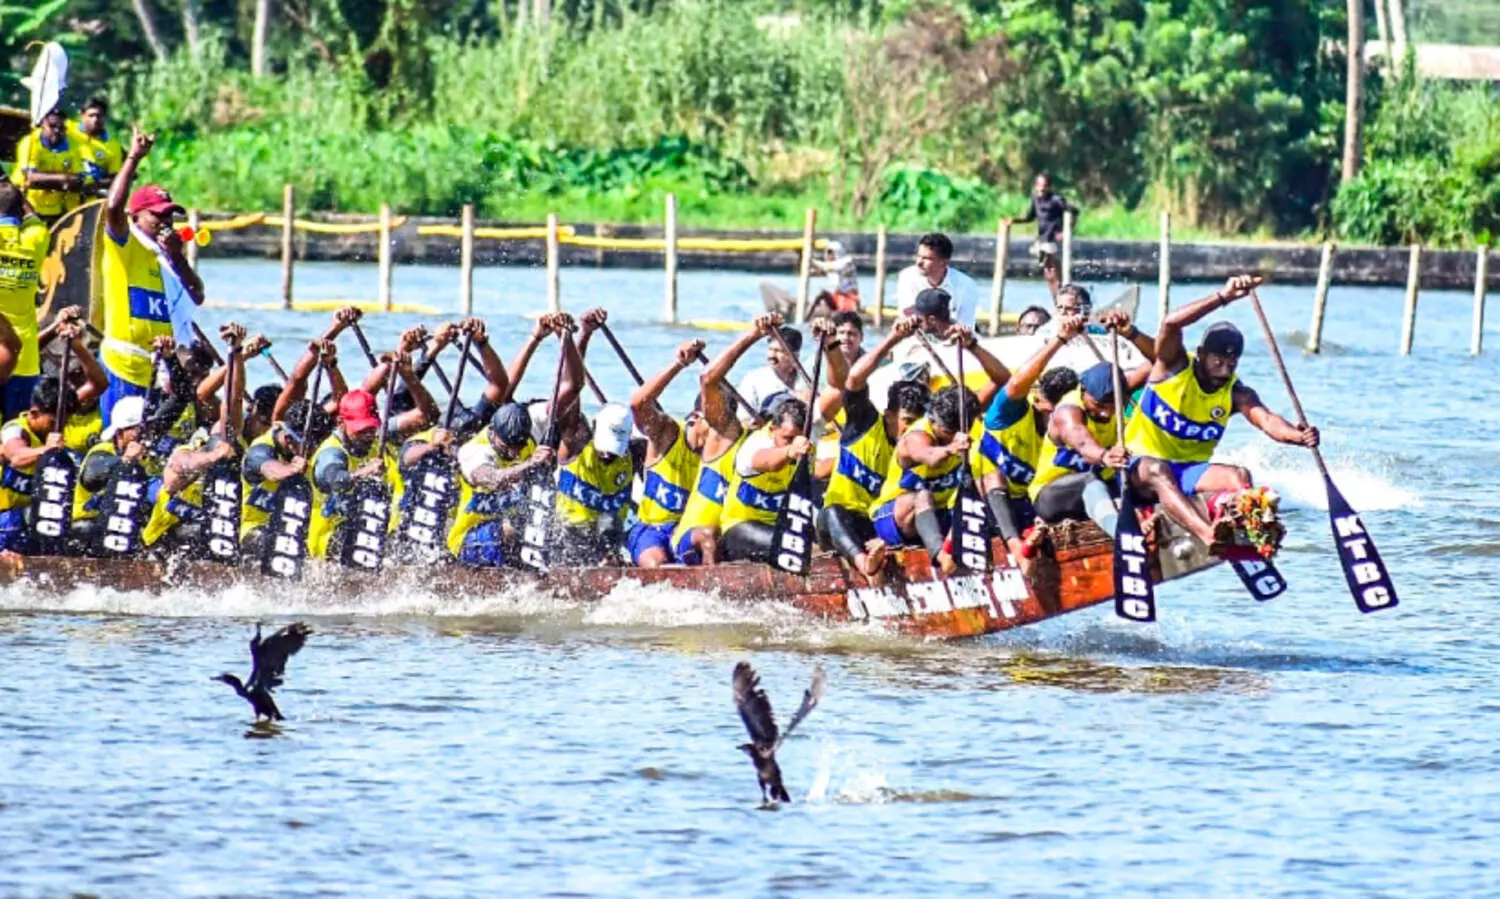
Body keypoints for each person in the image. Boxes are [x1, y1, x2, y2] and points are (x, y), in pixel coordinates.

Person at [1125, 275, 1319, 552]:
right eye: (1218, 360)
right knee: (1159, 469)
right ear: (1201, 354)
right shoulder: (1172, 366)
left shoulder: (1236, 393)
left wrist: (1298, 436)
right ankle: (1207, 535)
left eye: (1232, 361)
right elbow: (1170, 323)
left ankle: (1253, 534)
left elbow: (1266, 420)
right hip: (1139, 468)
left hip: (1188, 471)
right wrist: (1224, 297)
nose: (1226, 368)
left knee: (1238, 476)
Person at [869, 324, 1010, 573]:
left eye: (956, 432)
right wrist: (951, 448)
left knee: (991, 478)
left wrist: (973, 345)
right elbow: (930, 457)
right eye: (946, 433)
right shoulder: (917, 436)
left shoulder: (964, 414)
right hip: (895, 519)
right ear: (933, 420)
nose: (950, 438)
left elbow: (1002, 379)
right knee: (922, 496)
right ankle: (942, 559)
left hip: (942, 514)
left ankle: (1012, 543)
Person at [97, 128, 205, 425]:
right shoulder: (125, 244)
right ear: (136, 218)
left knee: (149, 448)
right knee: (122, 444)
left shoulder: (168, 255)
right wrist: (133, 157)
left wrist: (177, 256)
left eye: (170, 215)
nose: (165, 222)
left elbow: (198, 295)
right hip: (123, 364)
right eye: (157, 215)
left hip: (159, 369)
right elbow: (113, 207)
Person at [818, 315, 930, 580]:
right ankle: (865, 565)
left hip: (878, 524)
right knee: (829, 512)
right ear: (889, 414)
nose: (912, 430)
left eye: (917, 423)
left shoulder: (920, 444)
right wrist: (894, 338)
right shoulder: (864, 422)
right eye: (907, 422)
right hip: (837, 524)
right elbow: (853, 380)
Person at [1027, 312, 1157, 539]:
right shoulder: (1068, 412)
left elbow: (1163, 358)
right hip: (1052, 496)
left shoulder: (1120, 390)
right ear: (1084, 392)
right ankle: (1125, 535)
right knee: (1091, 480)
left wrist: (1130, 332)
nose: (1106, 411)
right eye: (1098, 405)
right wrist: (1104, 456)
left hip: (1103, 488)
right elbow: (1083, 443)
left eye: (1112, 404)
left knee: (1151, 469)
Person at [972, 313, 1084, 563]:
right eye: (1056, 414)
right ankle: (1016, 550)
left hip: (1028, 505)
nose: (1064, 422)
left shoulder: (1075, 426)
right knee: (991, 477)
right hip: (984, 507)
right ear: (1039, 402)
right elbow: (1016, 381)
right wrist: (1060, 340)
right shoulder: (1008, 414)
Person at [308, 344, 436, 561]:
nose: (369, 435)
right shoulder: (331, 453)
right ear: (341, 423)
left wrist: (408, 374)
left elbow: (426, 416)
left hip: (376, 528)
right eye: (361, 430)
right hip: (331, 539)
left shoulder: (378, 433)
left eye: (371, 428)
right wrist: (364, 472)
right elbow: (336, 479)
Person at [669, 317, 766, 566]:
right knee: (709, 534)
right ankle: (714, 591)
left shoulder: (769, 450)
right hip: (691, 542)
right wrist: (752, 335)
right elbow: (708, 379)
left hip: (732, 544)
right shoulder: (724, 438)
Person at [553, 309, 635, 564]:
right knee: (606, 521)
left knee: (611, 520)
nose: (609, 454)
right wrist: (580, 336)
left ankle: (615, 561)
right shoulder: (575, 441)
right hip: (568, 533)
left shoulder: (637, 452)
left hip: (608, 537)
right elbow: (572, 386)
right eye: (606, 446)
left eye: (615, 448)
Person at [625, 339, 708, 567]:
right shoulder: (668, 433)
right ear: (696, 418)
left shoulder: (726, 445)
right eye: (715, 425)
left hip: (685, 532)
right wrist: (678, 364)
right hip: (652, 530)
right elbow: (639, 404)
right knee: (658, 565)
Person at [447, 402, 556, 566]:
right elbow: (493, 479)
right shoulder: (473, 451)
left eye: (519, 447)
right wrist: (530, 464)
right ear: (493, 432)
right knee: (513, 527)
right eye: (507, 447)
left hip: (506, 529)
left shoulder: (526, 433)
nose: (514, 453)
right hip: (467, 539)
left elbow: (566, 395)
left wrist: (574, 376)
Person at [718, 394, 814, 565]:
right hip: (739, 528)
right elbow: (766, 462)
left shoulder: (805, 444)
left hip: (781, 528)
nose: (794, 442)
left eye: (798, 438)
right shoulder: (755, 444)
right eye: (787, 438)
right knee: (797, 548)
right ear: (772, 430)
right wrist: (789, 451)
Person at [240, 397, 333, 558]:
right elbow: (271, 471)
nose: (315, 451)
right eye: (311, 445)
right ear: (289, 439)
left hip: (296, 529)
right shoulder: (259, 450)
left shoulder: (304, 447)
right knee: (280, 544)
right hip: (255, 529)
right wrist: (291, 469)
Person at [70, 394, 147, 552]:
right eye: (138, 429)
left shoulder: (144, 456)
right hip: (88, 524)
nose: (145, 433)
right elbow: (91, 477)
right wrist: (125, 461)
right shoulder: (102, 451)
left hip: (119, 526)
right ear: (120, 432)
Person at [0, 377, 66, 553]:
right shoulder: (14, 429)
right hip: (5, 518)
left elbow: (97, 386)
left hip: (26, 519)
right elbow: (16, 456)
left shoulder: (51, 430)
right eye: (52, 423)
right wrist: (47, 449)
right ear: (34, 413)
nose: (56, 429)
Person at [0, 182, 49, 418]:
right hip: (26, 359)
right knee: (17, 432)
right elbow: (33, 216)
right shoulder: (38, 239)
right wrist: (14, 189)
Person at [10, 109, 88, 225]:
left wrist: (46, 179)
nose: (57, 131)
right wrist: (63, 179)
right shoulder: (30, 142)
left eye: (61, 128)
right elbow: (31, 178)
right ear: (42, 124)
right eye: (52, 126)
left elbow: (78, 179)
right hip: (26, 206)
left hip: (56, 210)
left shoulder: (72, 145)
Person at [894, 233, 979, 328]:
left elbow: (966, 325)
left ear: (944, 262)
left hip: (952, 338)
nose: (919, 263)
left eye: (927, 258)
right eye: (918, 256)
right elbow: (907, 314)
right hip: (915, 336)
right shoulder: (907, 277)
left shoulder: (967, 285)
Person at [1014, 174, 1079, 297]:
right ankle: (1056, 297)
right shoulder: (1035, 199)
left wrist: (1066, 231)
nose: (1041, 189)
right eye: (1039, 186)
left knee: (1053, 270)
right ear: (1035, 186)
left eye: (1044, 186)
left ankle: (1062, 293)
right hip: (1042, 240)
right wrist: (1012, 221)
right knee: (1048, 273)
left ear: (1049, 187)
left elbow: (1074, 212)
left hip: (1053, 239)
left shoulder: (1056, 200)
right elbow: (1029, 217)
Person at [734, 320, 803, 425]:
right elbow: (743, 420)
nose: (771, 355)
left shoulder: (806, 380)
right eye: (770, 349)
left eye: (778, 351)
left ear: (795, 356)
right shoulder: (753, 380)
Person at [70, 97, 123, 193]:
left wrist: (94, 184)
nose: (95, 119)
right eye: (91, 115)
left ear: (105, 117)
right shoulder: (68, 129)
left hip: (93, 199)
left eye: (99, 116)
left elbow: (114, 178)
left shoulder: (113, 146)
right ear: (82, 115)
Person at [812, 240, 860, 313]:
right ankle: (803, 320)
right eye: (828, 253)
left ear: (838, 253)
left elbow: (830, 267)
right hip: (837, 297)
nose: (829, 255)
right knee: (821, 294)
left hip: (849, 298)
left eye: (831, 253)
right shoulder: (830, 265)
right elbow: (818, 272)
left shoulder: (847, 261)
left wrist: (812, 260)